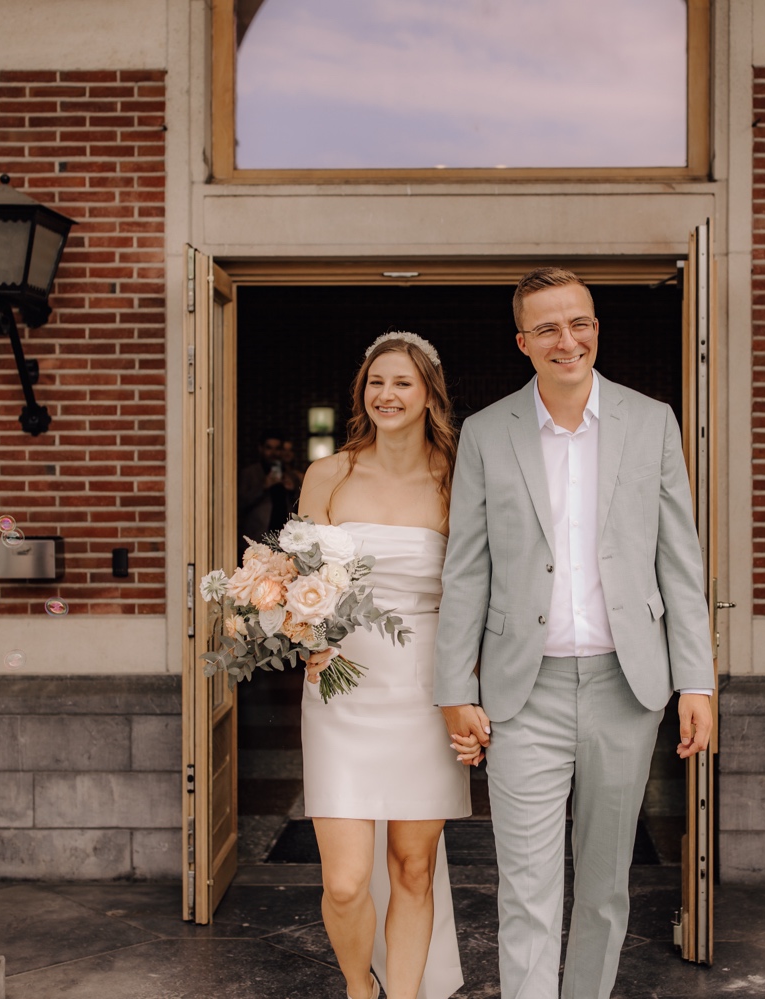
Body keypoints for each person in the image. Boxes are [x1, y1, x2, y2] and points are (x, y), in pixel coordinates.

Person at [435, 267, 716, 999]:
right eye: (550, 328)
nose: (569, 340)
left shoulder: (650, 420)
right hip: (524, 692)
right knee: (527, 886)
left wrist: (697, 680)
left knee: (602, 886)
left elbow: (678, 560)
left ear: (597, 327)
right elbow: (466, 569)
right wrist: (454, 688)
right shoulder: (487, 431)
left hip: (628, 687)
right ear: (523, 341)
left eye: (580, 322)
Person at [297, 331, 472, 999]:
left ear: (429, 393)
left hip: (426, 692)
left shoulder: (456, 477)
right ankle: (357, 986)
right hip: (340, 692)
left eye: (401, 382)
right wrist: (302, 627)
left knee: (412, 866)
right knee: (343, 880)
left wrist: (470, 689)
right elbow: (297, 578)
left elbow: (475, 589)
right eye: (375, 382)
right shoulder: (330, 473)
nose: (386, 394)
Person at [239, 429, 301, 548]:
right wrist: (263, 486)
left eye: (278, 448)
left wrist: (293, 490)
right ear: (261, 448)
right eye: (269, 448)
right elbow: (240, 503)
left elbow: (302, 509)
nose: (274, 453)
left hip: (285, 538)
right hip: (257, 537)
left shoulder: (291, 475)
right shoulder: (250, 473)